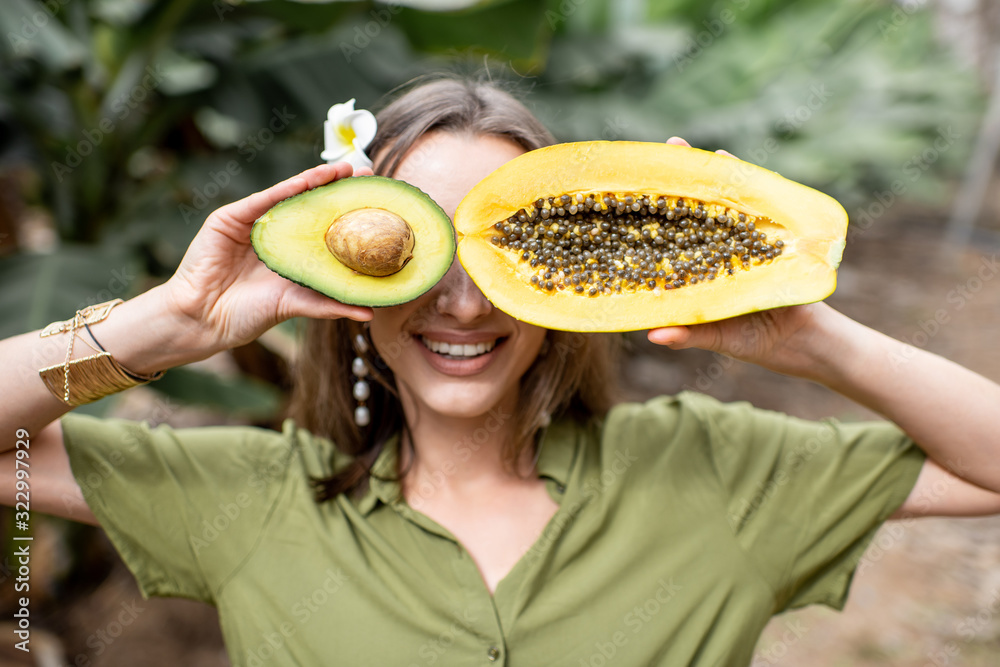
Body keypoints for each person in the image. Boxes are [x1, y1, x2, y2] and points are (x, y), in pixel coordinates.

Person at [2, 76, 1000, 667]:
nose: (465, 304)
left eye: (503, 255)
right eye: (423, 251)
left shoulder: (714, 468)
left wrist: (813, 338)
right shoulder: (252, 499)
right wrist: (171, 324)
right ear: (350, 274)